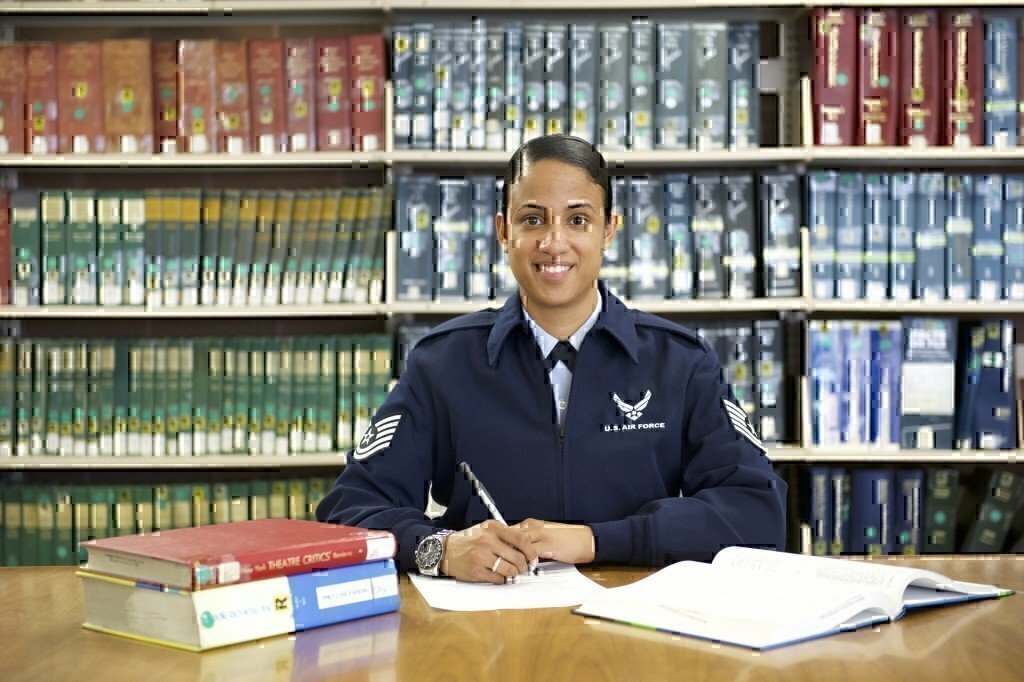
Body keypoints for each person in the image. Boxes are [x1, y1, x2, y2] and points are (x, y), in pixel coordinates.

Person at [316, 134, 787, 583]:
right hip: (485, 629)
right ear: (504, 231)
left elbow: (757, 512)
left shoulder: (680, 362)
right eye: (533, 219)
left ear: (609, 231)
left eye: (578, 220)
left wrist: (597, 541)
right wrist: (438, 548)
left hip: (635, 624)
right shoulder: (442, 363)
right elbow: (349, 510)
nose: (554, 242)